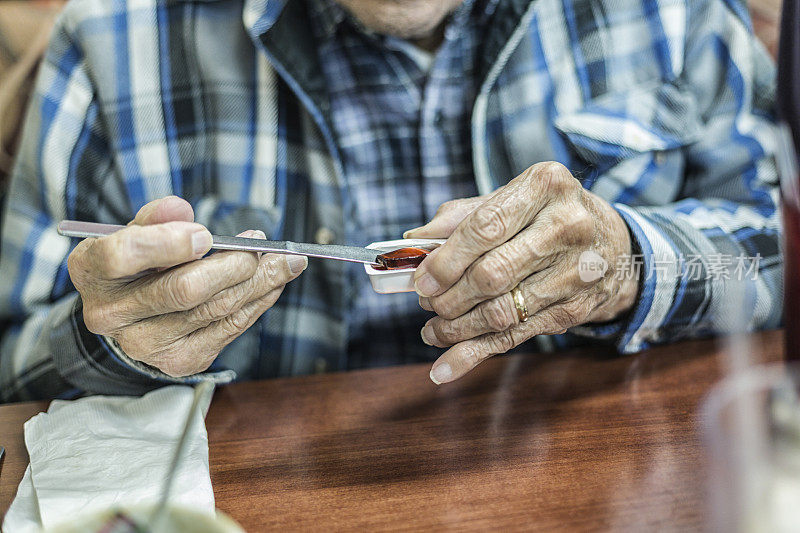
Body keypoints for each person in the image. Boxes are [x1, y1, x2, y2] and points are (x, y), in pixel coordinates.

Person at [0, 0, 781, 401]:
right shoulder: (113, 37)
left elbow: (774, 247)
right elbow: (10, 367)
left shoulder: (672, 10)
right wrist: (114, 341)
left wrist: (630, 263)